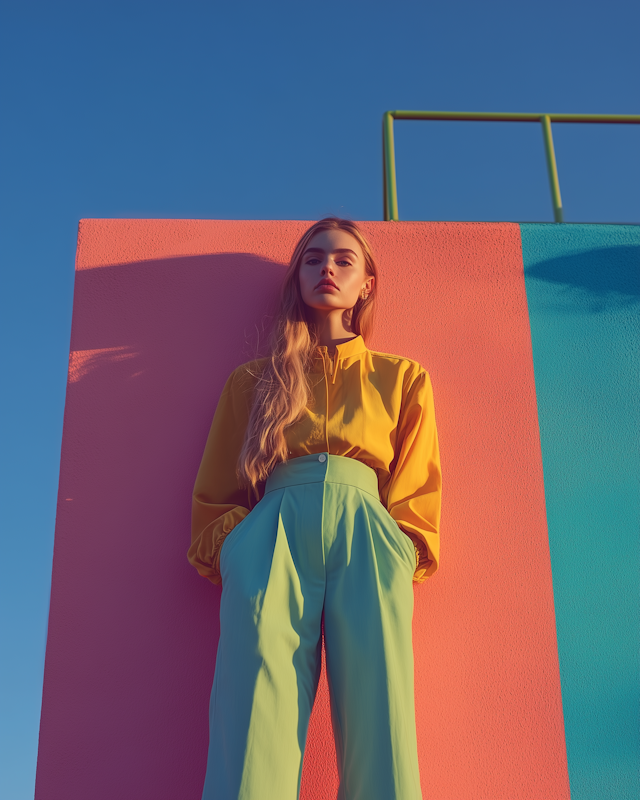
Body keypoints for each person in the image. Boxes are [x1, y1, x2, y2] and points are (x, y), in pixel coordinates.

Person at [188, 218, 442, 800]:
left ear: (367, 284)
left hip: (370, 536)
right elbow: (216, 491)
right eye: (313, 258)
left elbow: (417, 490)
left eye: (344, 260)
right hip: (270, 535)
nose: (327, 267)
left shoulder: (401, 378)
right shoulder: (252, 381)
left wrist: (402, 548)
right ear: (297, 277)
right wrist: (237, 548)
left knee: (383, 712)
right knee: (253, 713)